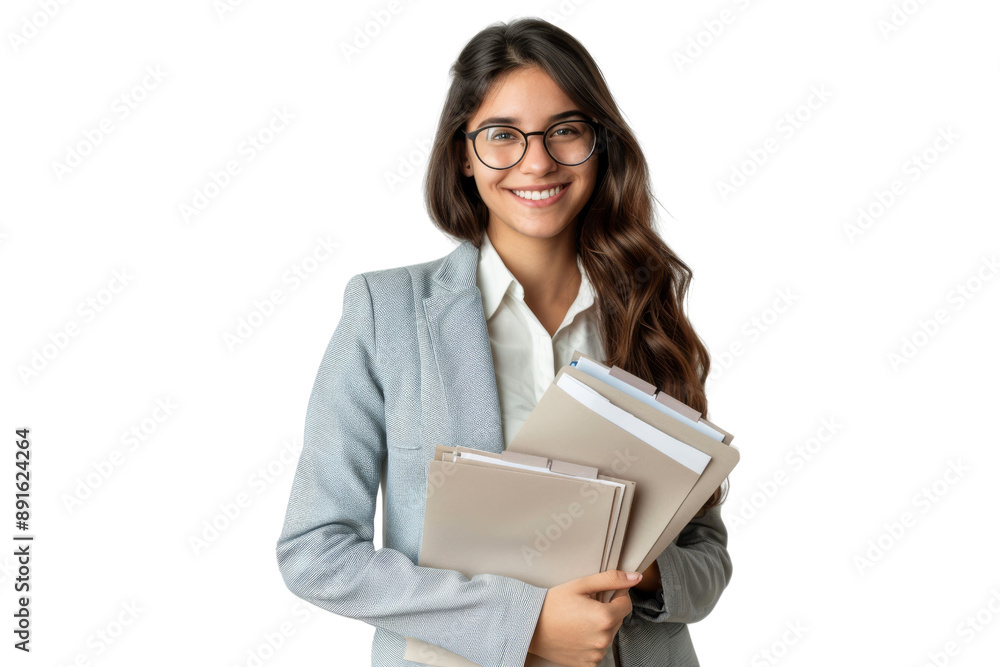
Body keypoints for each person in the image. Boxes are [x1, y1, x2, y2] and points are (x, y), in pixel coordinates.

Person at [275, 17, 732, 667]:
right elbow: (315, 551)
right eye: (502, 135)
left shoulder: (645, 311)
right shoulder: (386, 313)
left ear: (599, 144)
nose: (537, 161)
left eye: (565, 130)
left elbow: (707, 553)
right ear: (463, 154)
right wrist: (523, 623)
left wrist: (644, 572)